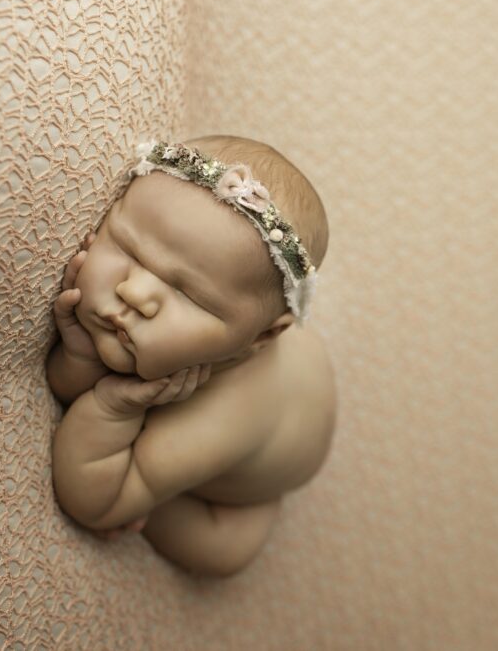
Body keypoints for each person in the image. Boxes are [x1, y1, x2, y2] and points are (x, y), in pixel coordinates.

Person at [46, 136, 338, 577]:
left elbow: (94, 501)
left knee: (221, 553)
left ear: (259, 338)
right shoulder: (156, 334)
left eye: (190, 295)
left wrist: (111, 405)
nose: (135, 293)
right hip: (293, 368)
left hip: (257, 475)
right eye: (128, 249)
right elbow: (61, 387)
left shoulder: (223, 418)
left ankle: (165, 492)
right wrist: (82, 356)